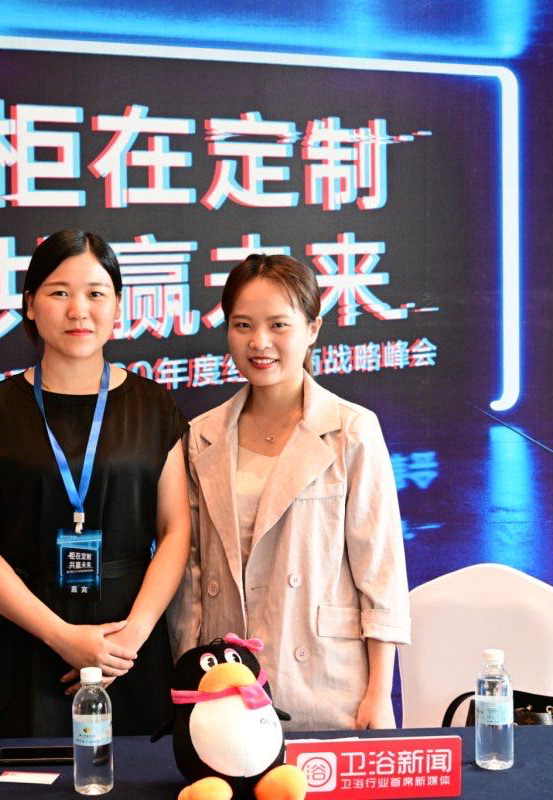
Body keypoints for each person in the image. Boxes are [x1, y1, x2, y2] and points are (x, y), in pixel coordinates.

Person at [0, 229, 190, 738]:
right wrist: (62, 636)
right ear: (30, 305)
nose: (78, 310)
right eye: (59, 292)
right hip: (28, 636)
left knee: (138, 773)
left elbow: (175, 532)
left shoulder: (155, 407)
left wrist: (131, 638)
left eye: (95, 293)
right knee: (28, 774)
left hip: (129, 641)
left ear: (117, 305)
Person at [168, 254, 410, 731]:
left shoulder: (351, 431)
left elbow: (380, 571)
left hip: (327, 684)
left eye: (278, 325)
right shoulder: (202, 436)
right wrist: (188, 676)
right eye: (243, 325)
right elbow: (191, 580)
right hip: (226, 684)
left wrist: (379, 695)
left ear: (312, 329)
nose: (259, 342)